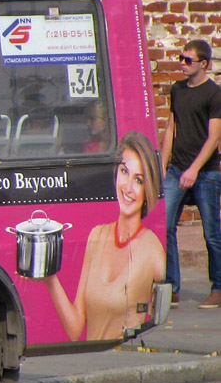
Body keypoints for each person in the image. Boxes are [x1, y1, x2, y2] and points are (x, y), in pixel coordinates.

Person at [44, 131, 166, 340]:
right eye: (124, 172)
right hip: (93, 364)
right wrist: (50, 278)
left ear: (148, 189)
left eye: (138, 180)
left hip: (127, 362)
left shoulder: (153, 249)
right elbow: (75, 329)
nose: (128, 187)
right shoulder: (96, 236)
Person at [160, 39, 221, 308]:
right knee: (164, 227)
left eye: (188, 60)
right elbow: (171, 128)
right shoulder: (177, 89)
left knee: (211, 234)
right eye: (181, 58)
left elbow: (214, 138)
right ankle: (172, 287)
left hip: (206, 173)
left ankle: (218, 288)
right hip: (176, 170)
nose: (182, 64)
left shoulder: (214, 94)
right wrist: (162, 164)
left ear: (204, 64)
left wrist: (194, 169)